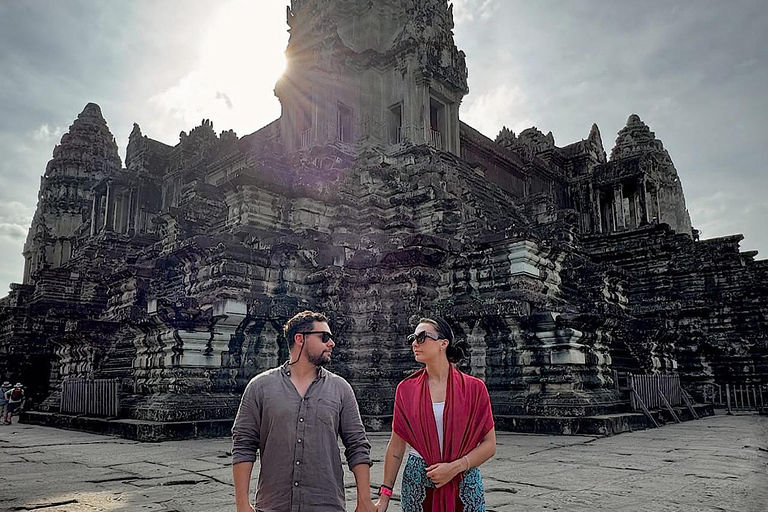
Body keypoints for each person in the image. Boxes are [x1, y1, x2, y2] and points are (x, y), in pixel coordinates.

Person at [232, 311, 376, 512]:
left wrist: (364, 500)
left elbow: (358, 445)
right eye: (324, 337)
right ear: (300, 338)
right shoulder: (260, 387)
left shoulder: (340, 389)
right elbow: (243, 445)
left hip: (327, 504)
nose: (331, 343)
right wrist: (242, 505)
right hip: (274, 504)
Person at [376, 317, 496, 512]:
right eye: (412, 338)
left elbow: (489, 445)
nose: (415, 343)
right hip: (418, 485)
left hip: (464, 482)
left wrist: (455, 467)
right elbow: (396, 447)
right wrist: (384, 496)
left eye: (422, 337)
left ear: (443, 343)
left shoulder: (475, 388)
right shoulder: (406, 389)